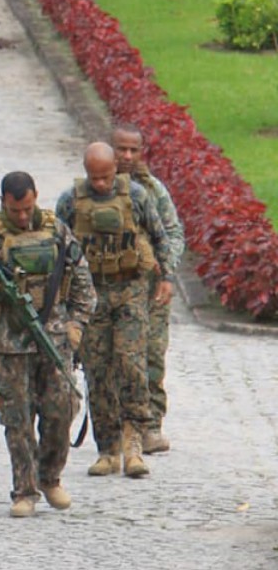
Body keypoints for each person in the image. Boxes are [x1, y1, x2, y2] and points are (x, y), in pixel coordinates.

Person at [0, 170, 96, 517]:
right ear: (4, 201)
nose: (22, 216)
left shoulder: (55, 230)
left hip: (54, 338)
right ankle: (25, 489)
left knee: (60, 410)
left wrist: (76, 323)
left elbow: (81, 279)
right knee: (16, 418)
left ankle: (51, 476)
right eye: (15, 210)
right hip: (10, 341)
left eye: (28, 208)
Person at [55, 141, 172, 478]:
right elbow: (57, 246)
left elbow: (160, 236)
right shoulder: (70, 201)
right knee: (98, 369)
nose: (102, 184)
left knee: (131, 364)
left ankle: (134, 442)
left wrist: (165, 277)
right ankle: (107, 448)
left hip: (130, 291)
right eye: (96, 178)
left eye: (107, 177)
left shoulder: (136, 196)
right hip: (90, 294)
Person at [111, 121, 185, 453]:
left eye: (133, 150)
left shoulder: (154, 191)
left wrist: (166, 272)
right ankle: (113, 426)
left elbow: (172, 233)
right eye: (120, 149)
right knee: (114, 359)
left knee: (152, 355)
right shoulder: (94, 190)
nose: (126, 156)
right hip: (111, 289)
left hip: (151, 289)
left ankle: (151, 425)